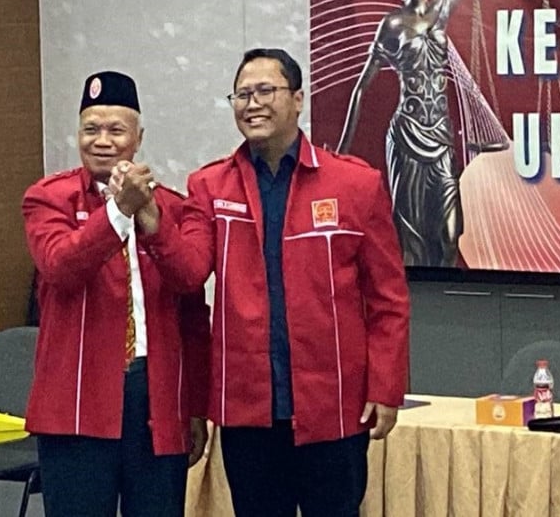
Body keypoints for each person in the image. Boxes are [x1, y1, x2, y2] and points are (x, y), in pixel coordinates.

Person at [144, 48, 410, 516]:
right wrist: (152, 221)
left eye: (265, 91)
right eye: (242, 95)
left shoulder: (355, 184)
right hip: (248, 410)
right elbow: (189, 273)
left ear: (298, 98)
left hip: (334, 405)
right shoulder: (210, 186)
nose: (253, 104)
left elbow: (388, 299)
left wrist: (386, 388)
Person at [21, 70, 210, 517]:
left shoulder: (174, 206)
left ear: (138, 138)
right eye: (91, 129)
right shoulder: (48, 199)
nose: (102, 141)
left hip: (155, 396)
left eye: (116, 130)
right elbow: (61, 267)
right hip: (76, 401)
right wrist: (118, 212)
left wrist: (152, 221)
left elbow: (191, 284)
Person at [337, 0, 484, 267]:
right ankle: (411, 296)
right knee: (410, 237)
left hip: (440, 136)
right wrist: (340, 154)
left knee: (449, 233)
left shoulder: (442, 8)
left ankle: (446, 294)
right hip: (407, 135)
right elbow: (361, 88)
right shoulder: (392, 24)